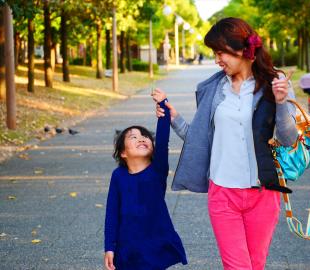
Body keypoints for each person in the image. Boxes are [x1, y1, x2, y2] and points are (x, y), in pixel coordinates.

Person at [155, 17, 298, 270]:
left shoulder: (276, 84)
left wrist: (280, 102)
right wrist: (173, 118)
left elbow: (289, 139)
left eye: (220, 52)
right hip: (223, 193)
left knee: (255, 265)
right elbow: (200, 141)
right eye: (214, 53)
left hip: (263, 193)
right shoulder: (214, 89)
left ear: (242, 49)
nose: (217, 59)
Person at [104, 92, 187, 270]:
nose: (141, 138)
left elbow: (163, 140)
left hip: (154, 244)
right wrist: (109, 248)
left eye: (145, 136)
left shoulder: (157, 170)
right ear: (123, 153)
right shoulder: (118, 176)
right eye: (133, 137)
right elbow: (112, 213)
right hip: (126, 248)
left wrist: (163, 105)